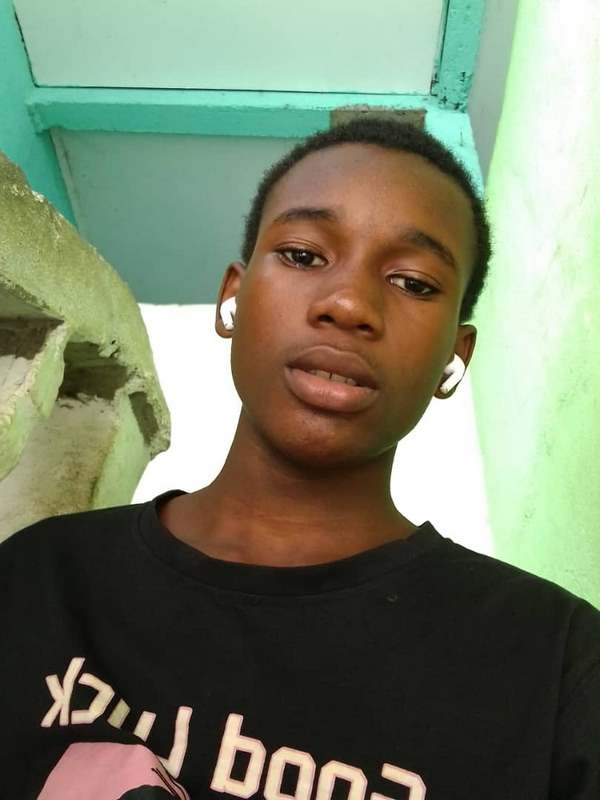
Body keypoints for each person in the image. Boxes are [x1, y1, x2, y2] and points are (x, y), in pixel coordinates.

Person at [1, 118, 599, 799]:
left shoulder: (557, 669)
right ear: (232, 297)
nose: (349, 304)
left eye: (413, 282)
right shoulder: (39, 578)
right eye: (304, 255)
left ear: (452, 358)